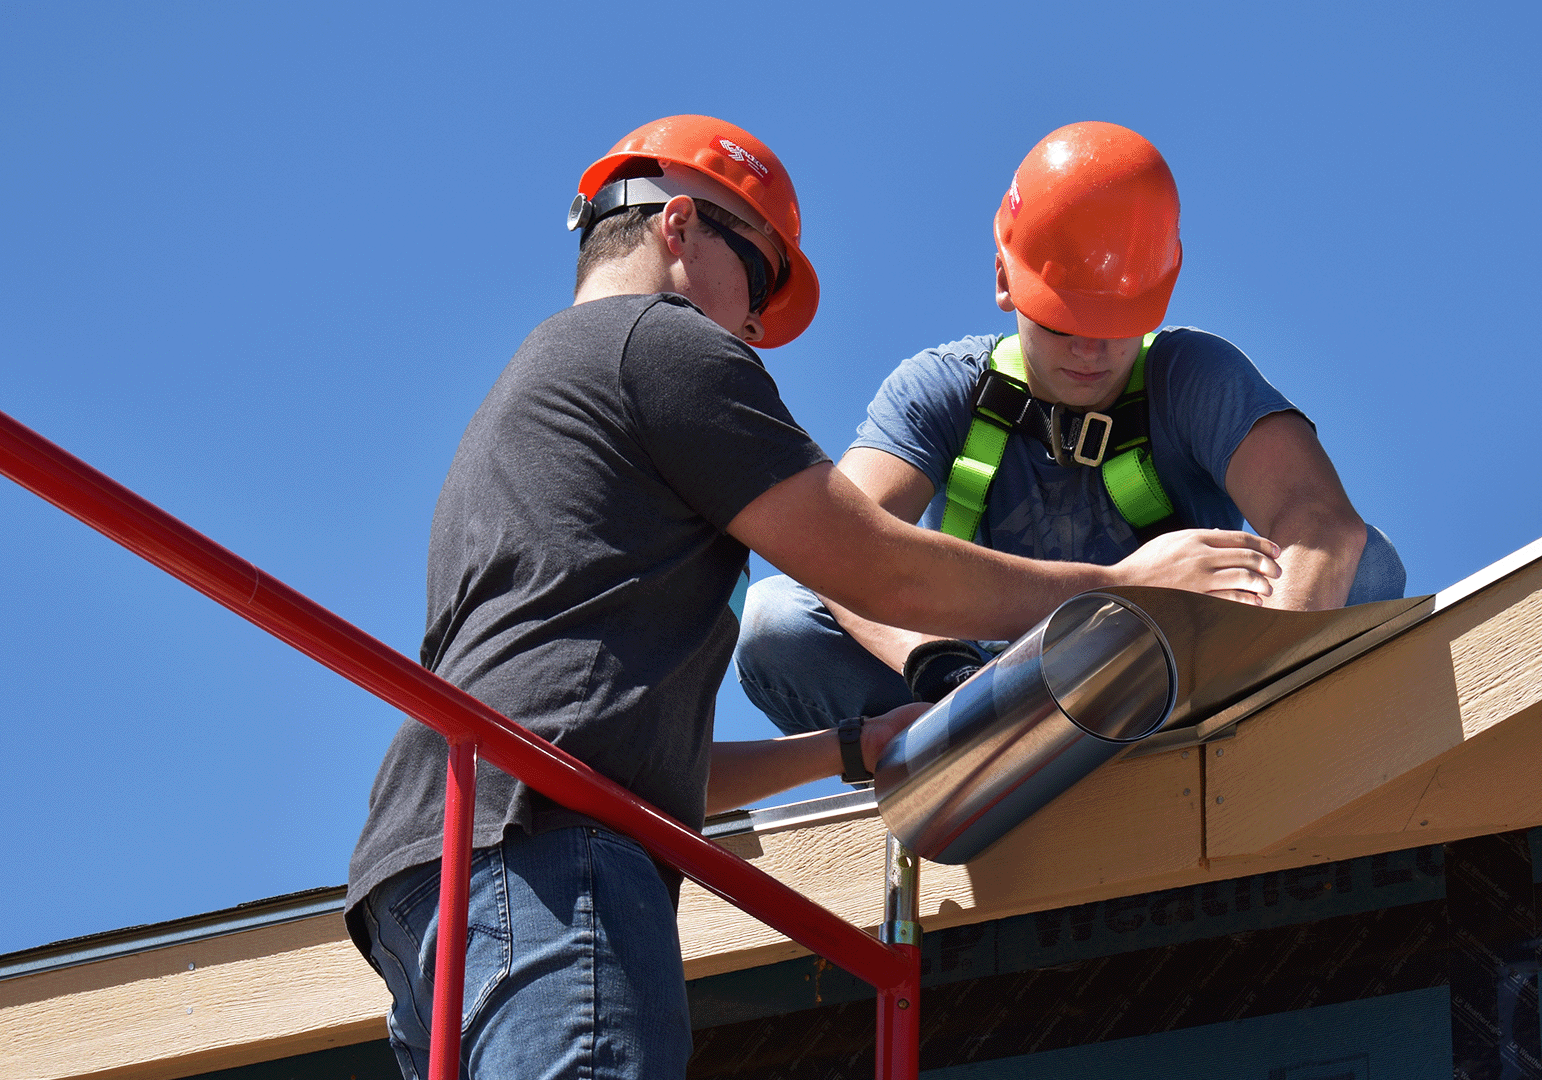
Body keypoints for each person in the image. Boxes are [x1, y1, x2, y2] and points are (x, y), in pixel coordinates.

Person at [343, 116, 1281, 1080]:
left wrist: (846, 748)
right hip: (548, 855)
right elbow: (880, 569)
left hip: (435, 866)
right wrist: (1123, 587)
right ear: (679, 227)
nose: (753, 327)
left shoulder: (528, 401)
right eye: (758, 280)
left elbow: (639, 758)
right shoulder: (660, 346)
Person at [735, 121, 1407, 734]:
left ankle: (1215, 733)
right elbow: (837, 545)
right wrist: (944, 674)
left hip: (1175, 678)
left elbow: (1320, 520)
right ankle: (955, 760)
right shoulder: (941, 387)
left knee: (1363, 564)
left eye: (1115, 326)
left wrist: (1251, 696)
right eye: (1062, 322)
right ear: (1005, 279)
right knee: (776, 620)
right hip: (985, 695)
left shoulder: (1193, 374)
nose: (1090, 352)